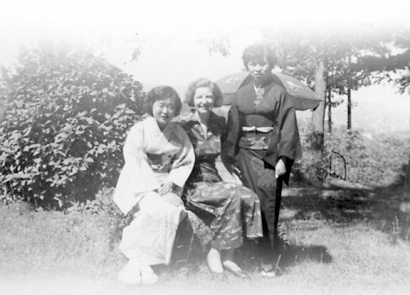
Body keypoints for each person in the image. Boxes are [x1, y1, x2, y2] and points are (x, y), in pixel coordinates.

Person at [223, 44, 302, 277]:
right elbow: (233, 127)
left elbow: (288, 128)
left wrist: (283, 160)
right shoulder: (241, 92)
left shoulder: (279, 92)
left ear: (270, 65)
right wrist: (230, 159)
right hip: (244, 155)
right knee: (245, 202)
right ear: (247, 64)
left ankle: (268, 262)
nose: (257, 68)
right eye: (252, 63)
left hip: (269, 156)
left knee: (268, 203)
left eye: (262, 63)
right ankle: (245, 252)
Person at [179, 78, 263, 277]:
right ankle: (216, 253)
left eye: (208, 96)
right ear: (192, 99)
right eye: (199, 96)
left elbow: (224, 155)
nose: (204, 101)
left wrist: (234, 176)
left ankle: (235, 254)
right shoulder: (183, 125)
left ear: (214, 99)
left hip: (214, 179)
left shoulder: (219, 122)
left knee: (249, 196)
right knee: (233, 195)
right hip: (192, 183)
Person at [113, 86, 195, 285]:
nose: (166, 111)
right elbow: (135, 160)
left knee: (171, 210)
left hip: (167, 181)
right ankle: (142, 262)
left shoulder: (178, 132)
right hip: (140, 182)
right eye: (161, 105)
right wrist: (151, 186)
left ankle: (139, 262)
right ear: (152, 105)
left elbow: (185, 159)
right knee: (154, 208)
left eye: (171, 107)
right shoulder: (140, 130)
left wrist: (173, 180)